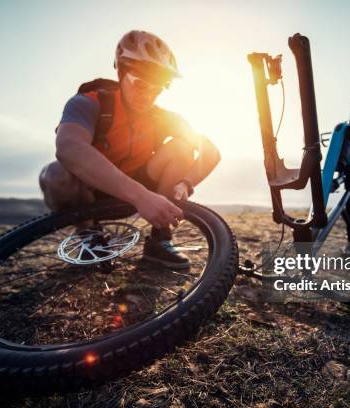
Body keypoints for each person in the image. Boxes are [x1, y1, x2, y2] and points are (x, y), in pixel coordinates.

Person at [39, 30, 220, 269]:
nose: (148, 94)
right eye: (140, 83)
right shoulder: (89, 102)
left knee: (181, 148)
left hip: (140, 191)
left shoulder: (160, 117)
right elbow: (68, 148)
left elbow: (210, 151)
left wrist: (186, 182)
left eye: (157, 87)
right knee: (55, 175)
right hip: (90, 194)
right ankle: (89, 236)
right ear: (121, 72)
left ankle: (160, 239)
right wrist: (140, 195)